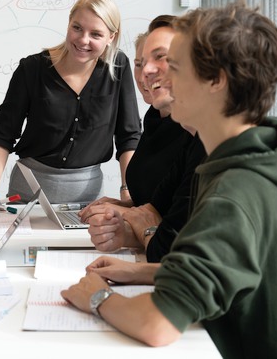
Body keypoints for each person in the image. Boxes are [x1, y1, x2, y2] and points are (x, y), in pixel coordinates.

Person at [61, 0, 277, 358]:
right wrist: (142, 272)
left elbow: (157, 325)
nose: (162, 79)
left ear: (215, 81)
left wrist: (95, 296)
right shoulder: (260, 155)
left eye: (176, 67)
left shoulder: (235, 193)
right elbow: (230, 268)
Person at [0, 0, 141, 211]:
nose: (83, 40)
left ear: (111, 37)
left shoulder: (118, 67)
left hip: (88, 201)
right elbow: (3, 134)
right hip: (27, 196)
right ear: (69, 23)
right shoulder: (32, 69)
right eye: (77, 28)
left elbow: (129, 136)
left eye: (95, 34)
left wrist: (128, 191)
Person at [79, 15, 206, 262]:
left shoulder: (213, 145)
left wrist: (100, 299)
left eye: (161, 57)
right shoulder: (173, 127)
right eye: (140, 63)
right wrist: (127, 227)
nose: (144, 73)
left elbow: (169, 250)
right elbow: (153, 211)